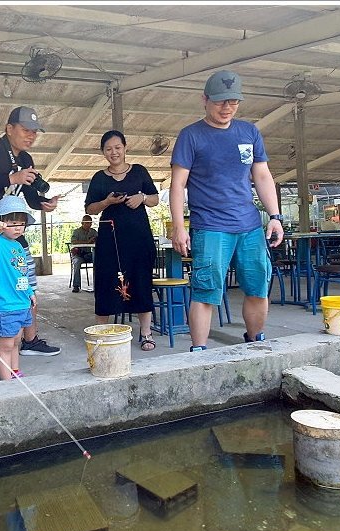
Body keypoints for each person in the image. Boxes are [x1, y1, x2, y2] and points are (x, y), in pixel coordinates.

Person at [169, 69, 284, 352]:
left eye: (233, 101)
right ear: (205, 99)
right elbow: (177, 184)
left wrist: (275, 216)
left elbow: (263, 176)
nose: (227, 107)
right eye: (221, 101)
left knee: (258, 285)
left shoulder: (249, 132)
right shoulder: (191, 135)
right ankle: (199, 352)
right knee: (206, 291)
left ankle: (255, 342)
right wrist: (179, 227)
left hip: (249, 225)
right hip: (210, 226)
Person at [0, 106, 61, 361]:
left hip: (16, 237)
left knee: (27, 287)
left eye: (35, 132)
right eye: (25, 130)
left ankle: (30, 340)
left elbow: (28, 196)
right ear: (9, 129)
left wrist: (44, 203)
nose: (31, 136)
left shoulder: (26, 159)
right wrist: (10, 177)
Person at [85, 130, 159, 351]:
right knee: (106, 281)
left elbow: (155, 199)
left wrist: (142, 198)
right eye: (108, 149)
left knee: (141, 280)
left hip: (139, 238)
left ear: (125, 148)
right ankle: (102, 335)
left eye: (117, 147)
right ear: (103, 152)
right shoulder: (99, 178)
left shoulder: (139, 171)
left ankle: (146, 333)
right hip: (110, 238)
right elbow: (90, 209)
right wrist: (107, 201)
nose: (114, 152)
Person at [0, 196, 37, 380]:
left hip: (21, 303)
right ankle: (5, 386)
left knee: (15, 343)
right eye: (13, 223)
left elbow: (23, 273)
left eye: (21, 224)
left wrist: (30, 292)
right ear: (1, 223)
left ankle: (15, 373)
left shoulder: (19, 246)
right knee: (5, 346)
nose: (18, 228)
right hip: (5, 305)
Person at [70, 214, 97, 293]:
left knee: (98, 261)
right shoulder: (77, 232)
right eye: (87, 223)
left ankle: (98, 284)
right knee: (77, 263)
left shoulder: (93, 232)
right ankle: (76, 286)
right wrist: (87, 242)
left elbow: (99, 239)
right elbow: (73, 242)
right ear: (82, 223)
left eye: (90, 223)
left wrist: (95, 240)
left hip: (89, 254)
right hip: (78, 254)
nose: (89, 225)